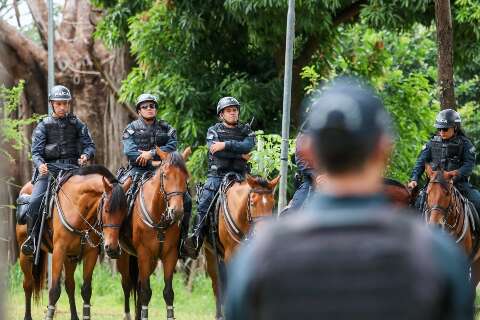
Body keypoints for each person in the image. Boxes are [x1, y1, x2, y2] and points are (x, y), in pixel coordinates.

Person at [225, 79, 473, 320]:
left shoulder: (256, 259)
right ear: (383, 150)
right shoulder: (439, 256)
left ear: (307, 151)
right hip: (310, 183)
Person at [21, 85, 96, 256]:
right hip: (50, 170)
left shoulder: (78, 124)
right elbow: (36, 153)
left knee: (95, 197)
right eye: (59, 104)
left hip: (74, 170)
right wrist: (40, 164)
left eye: (65, 104)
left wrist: (86, 155)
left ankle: (95, 238)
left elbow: (90, 145)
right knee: (34, 202)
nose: (62, 107)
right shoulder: (43, 126)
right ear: (52, 104)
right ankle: (32, 238)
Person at [182, 97, 255, 259]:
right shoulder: (213, 131)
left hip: (241, 176)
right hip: (218, 176)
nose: (233, 113)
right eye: (229, 110)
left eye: (235, 110)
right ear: (221, 114)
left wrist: (225, 145)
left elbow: (248, 146)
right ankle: (196, 237)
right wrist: (239, 153)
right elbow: (216, 151)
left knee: (260, 197)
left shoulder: (247, 131)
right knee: (204, 201)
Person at [121, 93, 191, 242]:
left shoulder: (166, 128)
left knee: (187, 199)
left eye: (152, 106)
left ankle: (183, 238)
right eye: (145, 107)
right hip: (137, 171)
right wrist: (152, 162)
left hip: (163, 171)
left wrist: (150, 154)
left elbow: (172, 145)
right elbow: (130, 151)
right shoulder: (130, 128)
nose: (149, 109)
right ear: (139, 111)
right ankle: (119, 235)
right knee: (118, 195)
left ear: (156, 109)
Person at [408, 109, 480, 214]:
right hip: (435, 184)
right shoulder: (431, 143)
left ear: (455, 127)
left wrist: (454, 176)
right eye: (439, 129)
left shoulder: (466, 144)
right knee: (415, 205)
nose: (442, 132)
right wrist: (414, 179)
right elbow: (420, 162)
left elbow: (468, 165)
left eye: (445, 129)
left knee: (478, 202)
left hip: (459, 185)